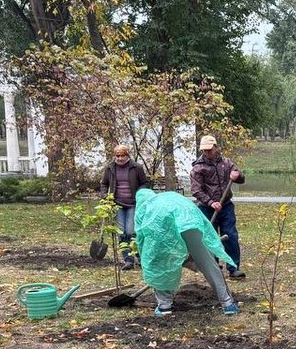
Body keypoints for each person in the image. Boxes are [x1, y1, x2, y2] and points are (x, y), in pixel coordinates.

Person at [133, 189, 240, 317]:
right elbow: (195, 213)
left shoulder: (143, 210)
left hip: (164, 231)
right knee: (208, 263)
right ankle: (228, 304)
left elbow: (142, 240)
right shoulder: (170, 196)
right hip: (191, 224)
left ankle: (164, 307)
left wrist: (145, 258)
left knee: (161, 266)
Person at [191, 134, 246, 279]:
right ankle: (214, 268)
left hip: (226, 206)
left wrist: (237, 175)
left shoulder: (227, 163)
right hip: (206, 208)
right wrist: (210, 202)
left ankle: (234, 268)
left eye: (209, 149)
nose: (206, 153)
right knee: (210, 237)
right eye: (204, 150)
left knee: (230, 235)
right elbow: (196, 190)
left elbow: (241, 178)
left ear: (216, 148)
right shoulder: (198, 167)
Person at [99, 144, 151, 270]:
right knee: (121, 233)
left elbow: (144, 183)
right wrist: (105, 196)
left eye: (122, 156)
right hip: (117, 204)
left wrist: (140, 194)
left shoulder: (136, 167)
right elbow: (104, 184)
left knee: (131, 231)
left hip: (133, 203)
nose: (120, 158)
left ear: (127, 155)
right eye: (117, 156)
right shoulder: (110, 168)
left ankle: (138, 257)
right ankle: (128, 260)